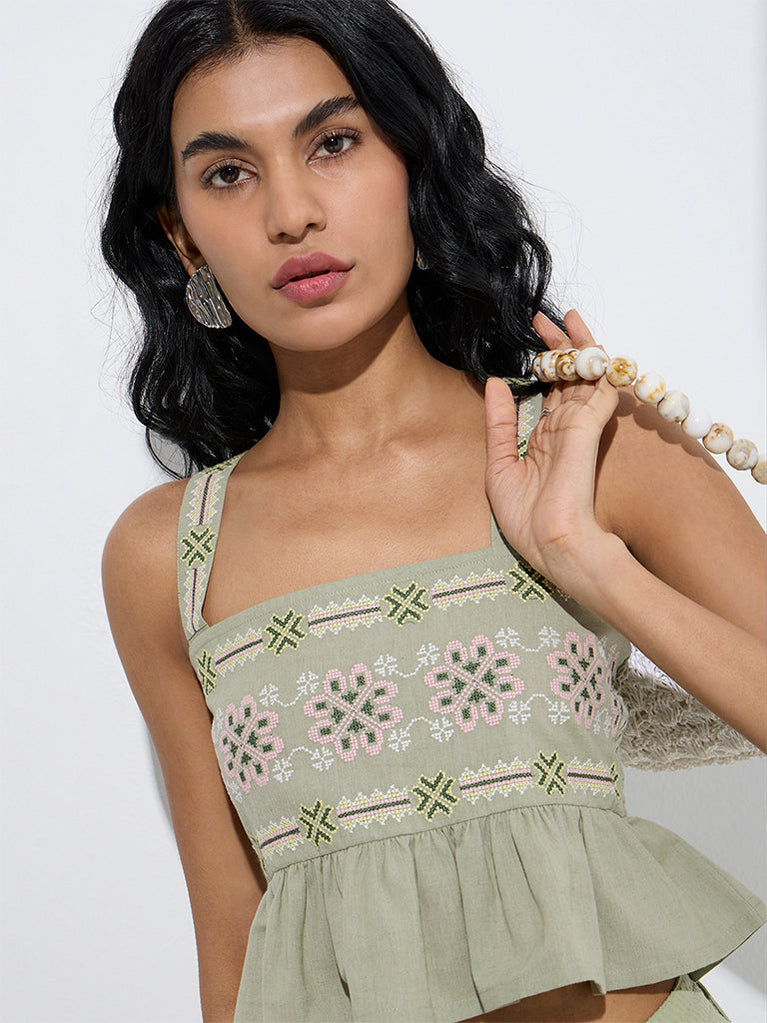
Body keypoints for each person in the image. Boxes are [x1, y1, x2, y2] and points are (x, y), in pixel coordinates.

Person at [100, 1, 767, 1020]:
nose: (291, 214)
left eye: (332, 143)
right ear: (181, 234)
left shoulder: (591, 443)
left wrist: (579, 554)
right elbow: (234, 936)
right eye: (228, 172)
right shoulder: (168, 554)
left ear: (412, 161)